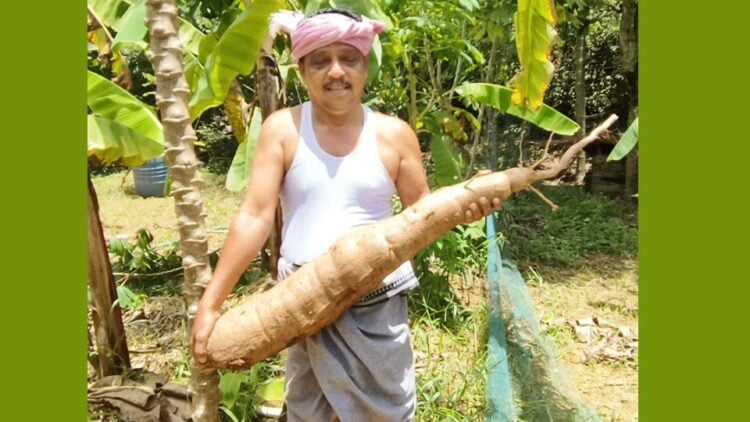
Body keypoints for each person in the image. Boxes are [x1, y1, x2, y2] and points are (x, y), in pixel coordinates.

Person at [191, 8, 500, 421]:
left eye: (348, 59)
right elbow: (254, 216)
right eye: (320, 60)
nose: (336, 71)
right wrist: (212, 304)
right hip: (299, 305)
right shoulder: (283, 130)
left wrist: (468, 205)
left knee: (385, 412)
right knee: (309, 412)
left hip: (377, 305)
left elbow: (425, 216)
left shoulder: (393, 135)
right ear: (302, 70)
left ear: (364, 66)